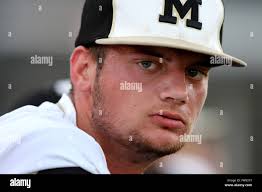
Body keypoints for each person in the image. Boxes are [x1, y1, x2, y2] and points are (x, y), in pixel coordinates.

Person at [0, 0, 246, 174]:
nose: (180, 93)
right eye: (148, 64)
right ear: (83, 69)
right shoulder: (42, 148)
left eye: (194, 72)